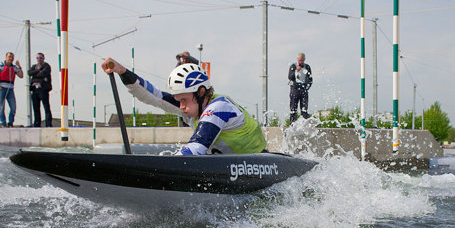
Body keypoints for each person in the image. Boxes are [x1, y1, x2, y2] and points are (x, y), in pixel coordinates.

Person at [102, 57, 266, 155]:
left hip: (260, 162)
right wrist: (123, 72)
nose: (181, 107)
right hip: (232, 167)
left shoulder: (219, 107)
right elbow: (155, 97)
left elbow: (196, 148)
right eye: (178, 100)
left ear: (201, 92)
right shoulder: (193, 108)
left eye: (184, 100)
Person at [0, 51, 23, 127]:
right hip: (2, 88)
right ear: (6, 57)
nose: (11, 58)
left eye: (12, 57)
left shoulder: (14, 67)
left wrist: (19, 66)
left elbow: (21, 75)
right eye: (9, 57)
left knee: (13, 107)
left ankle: (10, 122)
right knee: (1, 107)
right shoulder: (0, 65)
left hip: (10, 89)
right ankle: (3, 123)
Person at [28, 52, 53, 127]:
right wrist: (37, 72)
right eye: (38, 58)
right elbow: (29, 72)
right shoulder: (34, 67)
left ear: (43, 58)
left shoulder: (46, 66)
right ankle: (37, 124)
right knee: (36, 108)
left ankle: (48, 124)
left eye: (41, 58)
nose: (39, 59)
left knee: (46, 107)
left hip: (43, 89)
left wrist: (36, 75)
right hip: (35, 89)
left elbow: (43, 74)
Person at [288, 52, 312, 125]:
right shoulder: (293, 66)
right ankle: (292, 124)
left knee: (304, 109)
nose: (300, 62)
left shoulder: (307, 67)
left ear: (304, 59)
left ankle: (305, 123)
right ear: (297, 59)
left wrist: (307, 87)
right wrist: (296, 71)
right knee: (293, 109)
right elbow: (290, 77)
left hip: (303, 89)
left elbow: (310, 78)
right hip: (295, 89)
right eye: (299, 60)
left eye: (302, 60)